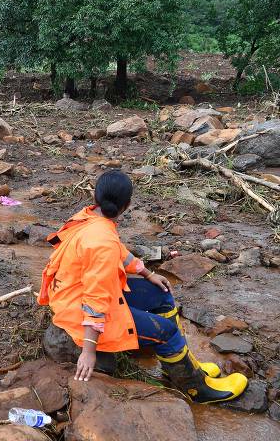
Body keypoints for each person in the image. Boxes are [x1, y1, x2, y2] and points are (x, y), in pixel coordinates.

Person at [38, 170, 248, 404]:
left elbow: (118, 252)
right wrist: (89, 352)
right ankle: (198, 389)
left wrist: (147, 273)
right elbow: (95, 300)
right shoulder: (102, 240)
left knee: (161, 294)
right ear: (126, 205)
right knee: (166, 332)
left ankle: (180, 365)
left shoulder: (89, 217)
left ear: (95, 197)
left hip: (76, 293)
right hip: (78, 311)